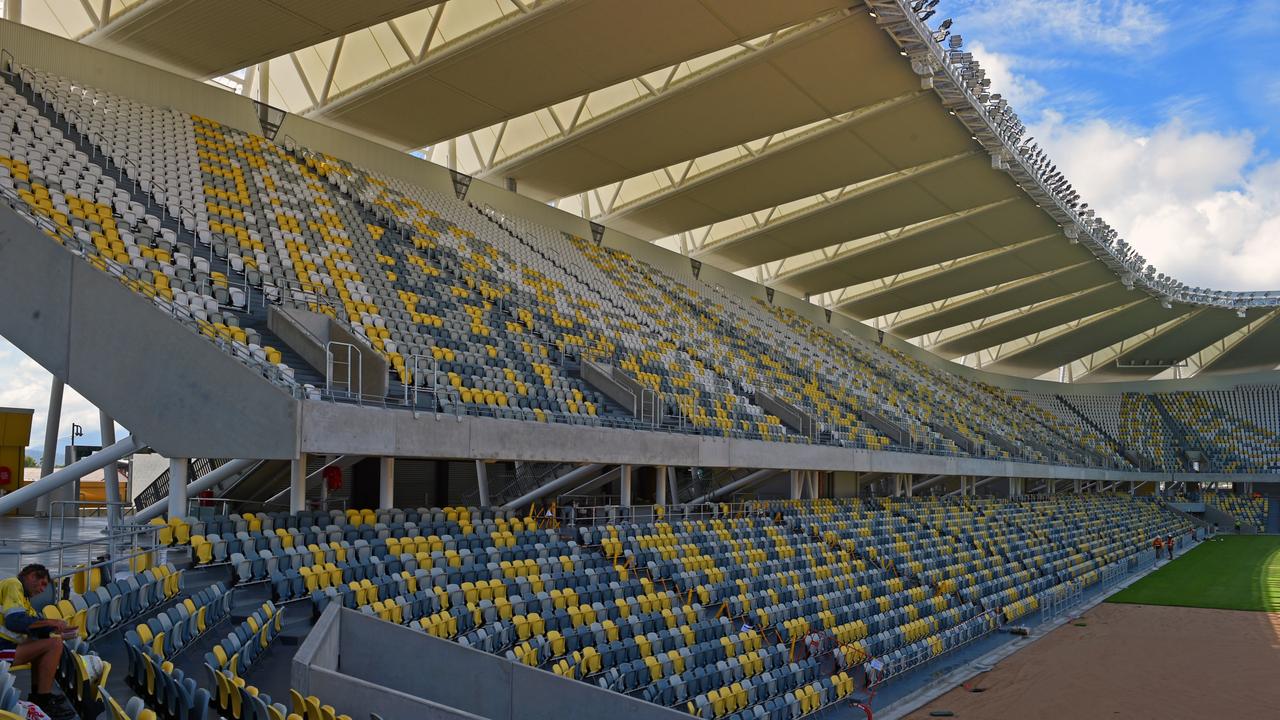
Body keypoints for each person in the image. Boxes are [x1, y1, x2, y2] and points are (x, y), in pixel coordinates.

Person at [1, 564, 78, 720]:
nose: (42, 590)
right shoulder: (13, 584)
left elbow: (34, 625)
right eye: (42, 583)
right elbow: (14, 621)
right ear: (31, 576)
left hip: (8, 646)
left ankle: (39, 696)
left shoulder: (25, 600)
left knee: (50, 642)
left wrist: (56, 630)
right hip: (2, 648)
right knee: (53, 645)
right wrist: (50, 623)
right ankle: (43, 700)